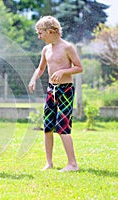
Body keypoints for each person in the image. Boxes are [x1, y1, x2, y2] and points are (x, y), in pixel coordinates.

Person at [28, 16, 83, 172]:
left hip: (65, 90)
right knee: (48, 127)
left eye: (40, 33)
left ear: (50, 31)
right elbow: (40, 68)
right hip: (51, 90)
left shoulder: (67, 47)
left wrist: (63, 71)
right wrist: (33, 79)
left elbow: (79, 67)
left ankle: (72, 164)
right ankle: (49, 163)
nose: (39, 37)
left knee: (62, 127)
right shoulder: (46, 49)